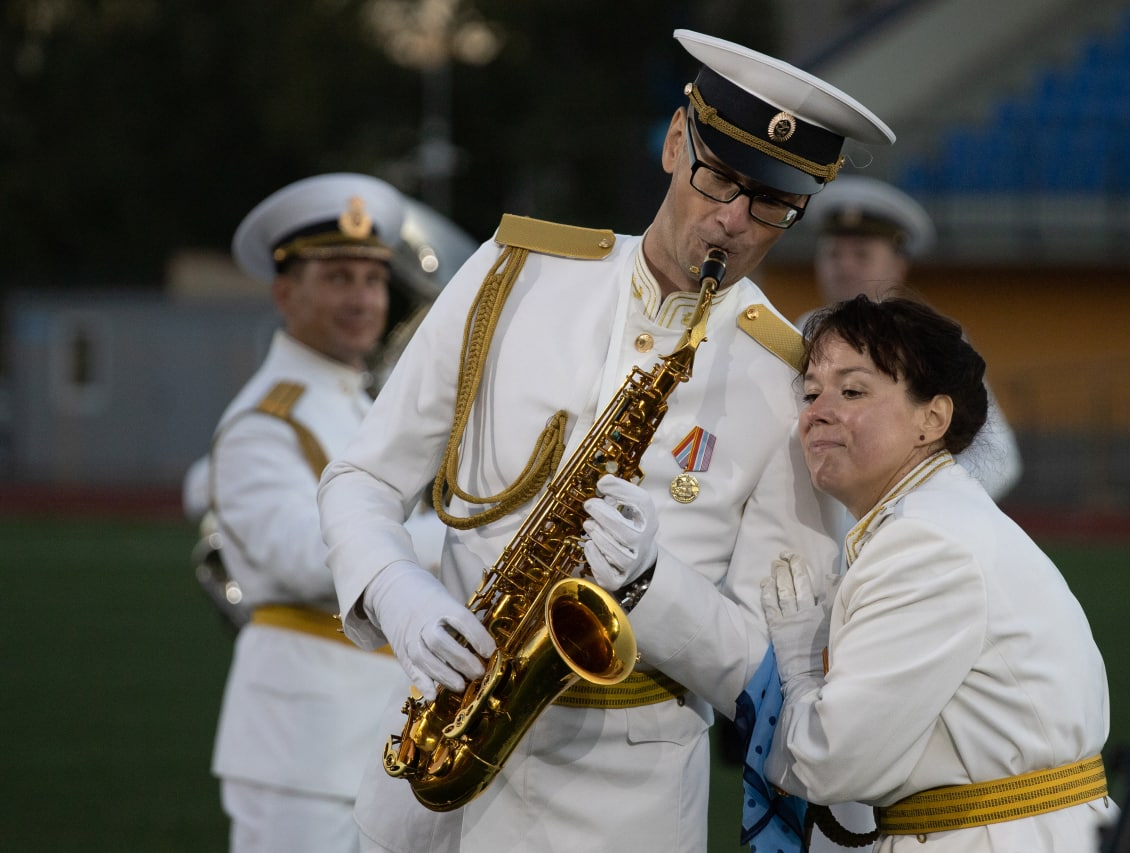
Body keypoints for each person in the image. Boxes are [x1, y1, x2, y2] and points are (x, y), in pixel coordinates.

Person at [315, 29, 894, 853]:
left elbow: (781, 672)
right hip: (431, 793)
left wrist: (658, 589)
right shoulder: (510, 275)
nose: (732, 220)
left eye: (769, 202)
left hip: (625, 812)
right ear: (671, 142)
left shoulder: (785, 380)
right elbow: (361, 479)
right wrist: (396, 594)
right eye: (719, 175)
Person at [759, 294, 1111, 850]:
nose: (817, 411)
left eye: (852, 391)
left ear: (932, 419)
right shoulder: (934, 520)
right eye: (810, 393)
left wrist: (803, 671)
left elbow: (835, 767)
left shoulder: (924, 545)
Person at [202, 172, 449, 853]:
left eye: (372, 278)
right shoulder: (262, 419)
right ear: (286, 292)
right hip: (301, 750)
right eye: (338, 278)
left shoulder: (354, 402)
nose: (365, 299)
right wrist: (456, 538)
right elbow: (304, 556)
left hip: (374, 729)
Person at [801, 175, 1023, 502]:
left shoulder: (927, 344)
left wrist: (908, 512)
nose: (845, 266)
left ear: (898, 266)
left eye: (862, 255)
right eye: (834, 254)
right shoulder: (795, 333)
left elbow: (999, 459)